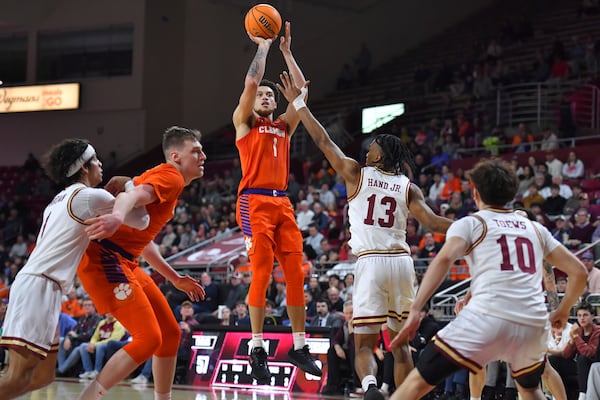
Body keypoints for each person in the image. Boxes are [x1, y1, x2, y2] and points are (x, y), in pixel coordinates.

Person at [277, 72, 453, 400]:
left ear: (378, 156)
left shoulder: (356, 173)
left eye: (371, 146)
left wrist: (299, 103)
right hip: (401, 264)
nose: (366, 148)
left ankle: (371, 388)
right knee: (401, 347)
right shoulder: (408, 187)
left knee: (364, 346)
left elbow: (322, 141)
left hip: (371, 263)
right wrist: (470, 226)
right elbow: (432, 222)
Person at [387, 159, 588, 400]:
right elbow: (579, 272)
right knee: (530, 388)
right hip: (531, 321)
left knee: (418, 381)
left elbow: (443, 260)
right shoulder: (535, 229)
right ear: (512, 194)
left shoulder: (472, 223)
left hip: (489, 316)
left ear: (475, 192)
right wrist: (563, 310)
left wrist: (416, 309)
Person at [0, 138, 149, 400]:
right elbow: (142, 221)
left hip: (43, 286)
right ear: (83, 167)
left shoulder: (58, 199)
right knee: (17, 375)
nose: (101, 164)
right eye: (96, 160)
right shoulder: (90, 196)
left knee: (43, 376)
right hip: (39, 285)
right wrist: (128, 186)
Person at [77, 126, 206, 400]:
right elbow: (129, 196)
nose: (203, 156)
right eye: (195, 151)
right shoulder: (172, 177)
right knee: (149, 339)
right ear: (176, 156)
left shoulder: (167, 179)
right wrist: (116, 216)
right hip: (105, 259)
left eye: (202, 150)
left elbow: (144, 242)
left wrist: (174, 278)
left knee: (169, 333)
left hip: (126, 260)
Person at [232, 22, 320, 383]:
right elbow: (252, 83)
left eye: (271, 96)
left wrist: (286, 51)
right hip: (253, 202)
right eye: (263, 96)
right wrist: (264, 48)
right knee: (263, 273)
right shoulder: (245, 123)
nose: (267, 97)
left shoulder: (284, 127)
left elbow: (301, 93)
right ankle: (256, 347)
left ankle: (299, 345)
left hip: (282, 203)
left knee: (296, 272)